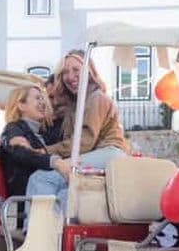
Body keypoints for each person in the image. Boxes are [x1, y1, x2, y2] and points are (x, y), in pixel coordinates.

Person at [23, 49, 129, 215]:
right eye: (65, 72)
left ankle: (36, 231)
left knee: (41, 178)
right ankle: (56, 233)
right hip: (99, 153)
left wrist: (46, 152)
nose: (70, 76)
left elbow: (84, 141)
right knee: (64, 192)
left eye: (76, 70)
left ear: (89, 70)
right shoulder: (76, 104)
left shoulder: (96, 98)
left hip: (108, 152)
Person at [0, 85, 71, 197]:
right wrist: (54, 162)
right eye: (38, 98)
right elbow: (23, 153)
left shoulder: (41, 133)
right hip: (27, 198)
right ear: (22, 105)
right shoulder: (13, 128)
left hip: (46, 191)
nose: (43, 103)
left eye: (42, 99)